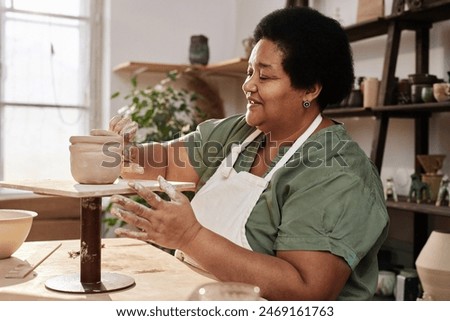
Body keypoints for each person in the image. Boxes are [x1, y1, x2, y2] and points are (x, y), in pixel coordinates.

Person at [109, 7, 389, 300]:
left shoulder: (337, 171)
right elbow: (165, 164)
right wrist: (123, 153)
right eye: (249, 72)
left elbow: (305, 290)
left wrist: (189, 237)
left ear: (310, 89)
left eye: (265, 77)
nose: (248, 85)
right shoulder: (238, 133)